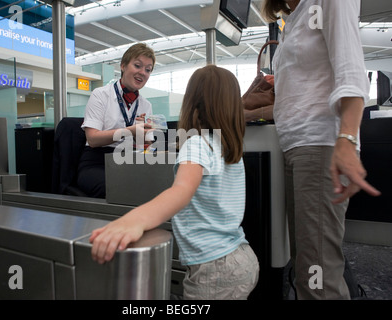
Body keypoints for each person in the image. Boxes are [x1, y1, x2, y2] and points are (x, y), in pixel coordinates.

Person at [89, 65, 259, 300]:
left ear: (192, 103)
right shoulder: (227, 146)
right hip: (240, 256)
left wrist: (134, 220)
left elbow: (182, 191)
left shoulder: (198, 144)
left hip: (214, 268)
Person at [262, 0, 381, 299]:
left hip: (318, 145)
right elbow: (300, 95)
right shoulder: (296, 17)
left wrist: (348, 139)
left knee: (316, 276)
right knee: (309, 264)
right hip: (297, 147)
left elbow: (351, 69)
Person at [77, 43, 155, 198]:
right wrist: (129, 131)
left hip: (128, 162)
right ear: (123, 66)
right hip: (97, 163)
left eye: (148, 70)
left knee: (156, 187)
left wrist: (142, 137)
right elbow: (92, 139)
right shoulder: (100, 95)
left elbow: (145, 148)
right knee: (121, 190)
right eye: (137, 65)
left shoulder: (146, 105)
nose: (142, 73)